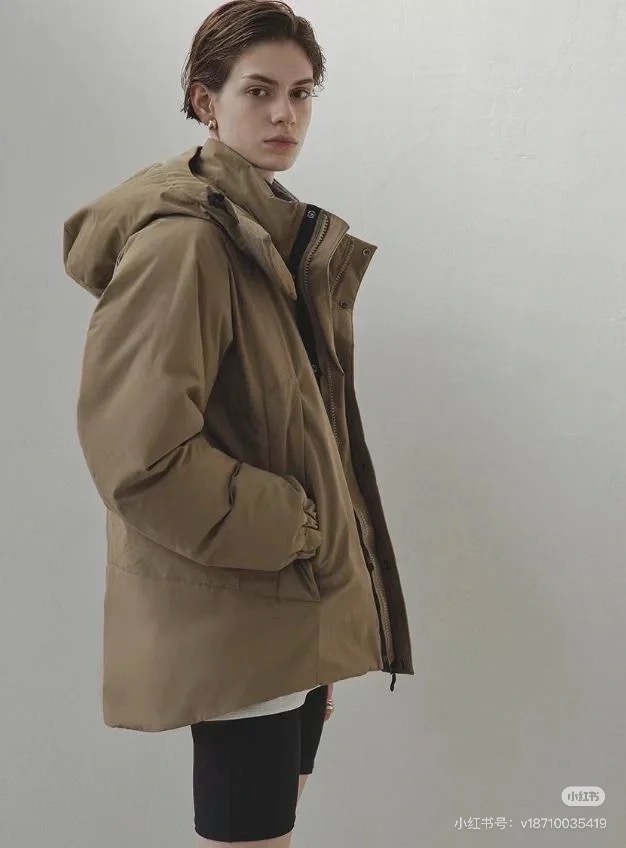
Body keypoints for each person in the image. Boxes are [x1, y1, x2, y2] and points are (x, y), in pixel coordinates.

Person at [62, 1, 413, 845]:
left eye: (301, 92)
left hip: (291, 612)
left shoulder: (267, 231)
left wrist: (327, 589)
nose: (285, 113)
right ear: (205, 101)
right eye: (259, 91)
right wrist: (300, 528)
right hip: (243, 611)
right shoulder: (186, 244)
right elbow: (139, 456)